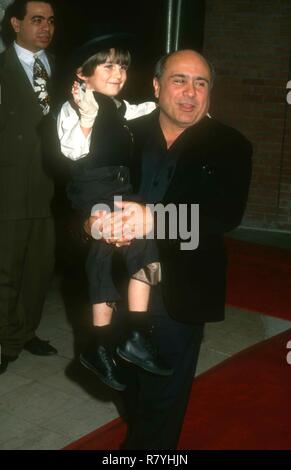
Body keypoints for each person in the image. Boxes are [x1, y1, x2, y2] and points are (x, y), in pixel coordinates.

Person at [59, 48, 252, 449]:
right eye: (179, 80)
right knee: (126, 386)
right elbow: (81, 191)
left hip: (180, 288)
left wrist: (156, 219)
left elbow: (223, 216)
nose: (190, 92)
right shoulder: (122, 129)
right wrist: (89, 224)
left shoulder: (231, 145)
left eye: (201, 83)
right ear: (156, 86)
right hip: (114, 287)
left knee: (161, 406)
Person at [57, 35, 172, 392]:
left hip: (118, 187)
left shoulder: (116, 105)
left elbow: (138, 110)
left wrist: (167, 105)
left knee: (130, 246)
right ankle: (110, 339)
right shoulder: (74, 106)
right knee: (116, 241)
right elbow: (72, 151)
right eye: (107, 65)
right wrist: (87, 119)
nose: (118, 72)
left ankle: (118, 339)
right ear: (82, 73)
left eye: (122, 65)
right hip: (93, 186)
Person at [0, 0, 58, 375]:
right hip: (9, 184)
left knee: (39, 267)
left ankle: (26, 330)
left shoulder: (59, 66)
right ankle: (5, 341)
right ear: (16, 23)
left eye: (51, 21)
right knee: (5, 269)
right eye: (37, 20)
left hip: (51, 186)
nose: (46, 27)